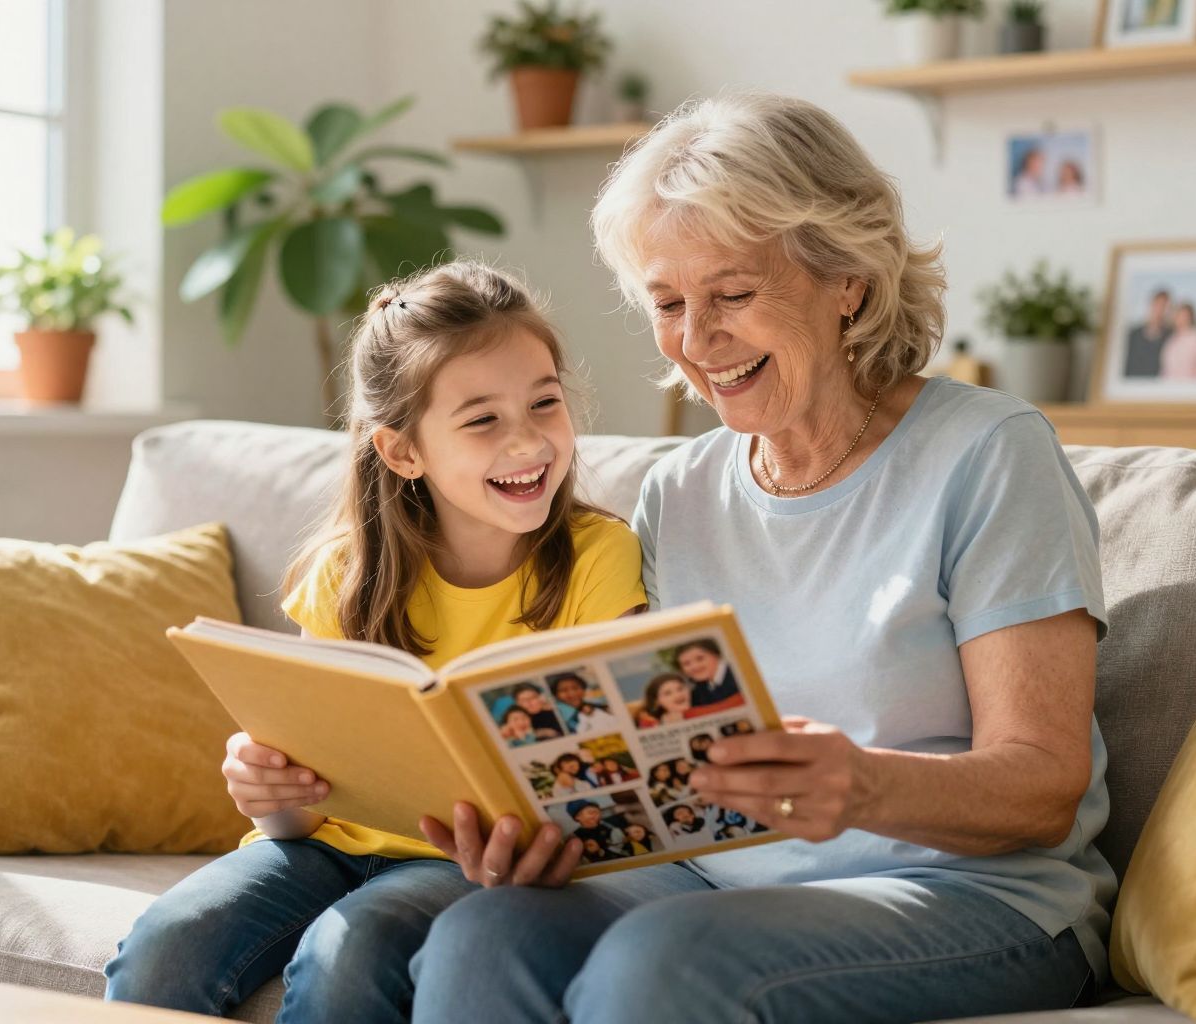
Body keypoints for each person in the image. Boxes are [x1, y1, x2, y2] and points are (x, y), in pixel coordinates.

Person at [409, 93, 1113, 1024]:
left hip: (975, 896)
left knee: (668, 962)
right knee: (481, 931)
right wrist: (544, 828)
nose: (698, 342)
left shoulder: (988, 453)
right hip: (718, 886)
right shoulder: (680, 489)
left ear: (847, 278)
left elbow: (1043, 788)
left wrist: (864, 784)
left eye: (734, 295)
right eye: (668, 304)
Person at [102, 260, 648, 1022]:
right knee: (168, 940)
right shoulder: (344, 575)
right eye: (483, 419)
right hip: (315, 847)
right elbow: (298, 806)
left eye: (545, 403)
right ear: (403, 452)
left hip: (459, 863)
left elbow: (609, 776)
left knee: (345, 956)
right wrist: (268, 796)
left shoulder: (598, 558)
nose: (528, 441)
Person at [674, 638, 743, 710]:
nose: (694, 667)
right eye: (686, 664)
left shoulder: (740, 676)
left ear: (716, 655)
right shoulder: (699, 688)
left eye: (700, 658)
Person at [548, 670, 620, 733]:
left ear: (583, 689)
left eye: (575, 688)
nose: (571, 694)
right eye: (563, 690)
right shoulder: (554, 716)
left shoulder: (600, 707)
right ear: (555, 695)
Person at [1124, 289, 1174, 378]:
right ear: (1151, 304)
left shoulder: (1171, 337)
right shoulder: (1133, 334)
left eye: (1165, 307)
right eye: (1158, 305)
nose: (1160, 310)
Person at [1159, 302, 1196, 381]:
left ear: (1191, 317)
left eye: (1184, 316)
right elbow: (1165, 369)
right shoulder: (1171, 340)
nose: (1181, 319)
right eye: (1178, 315)